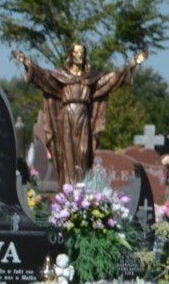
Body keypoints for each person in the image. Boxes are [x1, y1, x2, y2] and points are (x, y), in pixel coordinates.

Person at [13, 44, 146, 186]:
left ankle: (81, 188)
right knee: (67, 152)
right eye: (76, 53)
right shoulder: (61, 77)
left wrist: (132, 64)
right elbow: (44, 76)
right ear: (71, 55)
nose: (80, 55)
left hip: (83, 117)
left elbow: (111, 79)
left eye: (82, 52)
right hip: (66, 116)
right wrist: (27, 63)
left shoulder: (91, 79)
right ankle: (68, 189)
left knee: (84, 152)